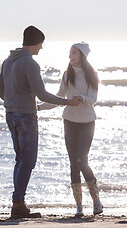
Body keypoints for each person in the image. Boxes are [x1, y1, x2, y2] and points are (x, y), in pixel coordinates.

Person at [0, 25, 80, 218]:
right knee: (28, 160)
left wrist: (13, 102)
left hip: (11, 114)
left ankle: (18, 203)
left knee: (20, 159)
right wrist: (68, 102)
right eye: (41, 44)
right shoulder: (30, 63)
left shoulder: (8, 61)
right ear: (36, 43)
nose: (41, 48)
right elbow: (41, 93)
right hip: (25, 116)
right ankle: (18, 204)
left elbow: (0, 91)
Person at [37, 42, 103, 216]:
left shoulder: (92, 75)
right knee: (74, 164)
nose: (70, 56)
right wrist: (39, 107)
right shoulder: (67, 75)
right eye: (69, 52)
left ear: (82, 54)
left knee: (82, 161)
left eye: (73, 53)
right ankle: (79, 207)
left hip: (87, 122)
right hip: (69, 122)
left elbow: (93, 99)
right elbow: (58, 99)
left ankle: (96, 201)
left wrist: (81, 98)